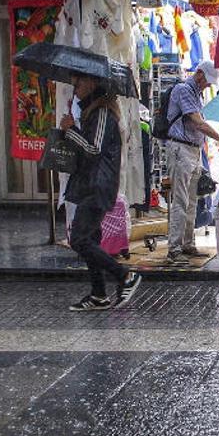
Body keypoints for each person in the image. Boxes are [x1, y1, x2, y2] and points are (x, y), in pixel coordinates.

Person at [61, 74, 142, 311]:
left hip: (97, 186)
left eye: (78, 84)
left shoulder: (103, 113)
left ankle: (125, 276)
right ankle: (98, 294)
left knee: (79, 239)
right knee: (91, 239)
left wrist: (72, 130)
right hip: (90, 184)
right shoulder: (93, 112)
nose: (75, 89)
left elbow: (93, 149)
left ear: (92, 84)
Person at [166, 60, 219, 264]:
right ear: (199, 73)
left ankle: (188, 244)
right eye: (207, 81)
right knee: (181, 201)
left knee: (192, 201)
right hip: (180, 149)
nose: (207, 85)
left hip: (192, 150)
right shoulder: (184, 90)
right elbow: (198, 123)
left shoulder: (197, 94)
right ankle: (174, 249)